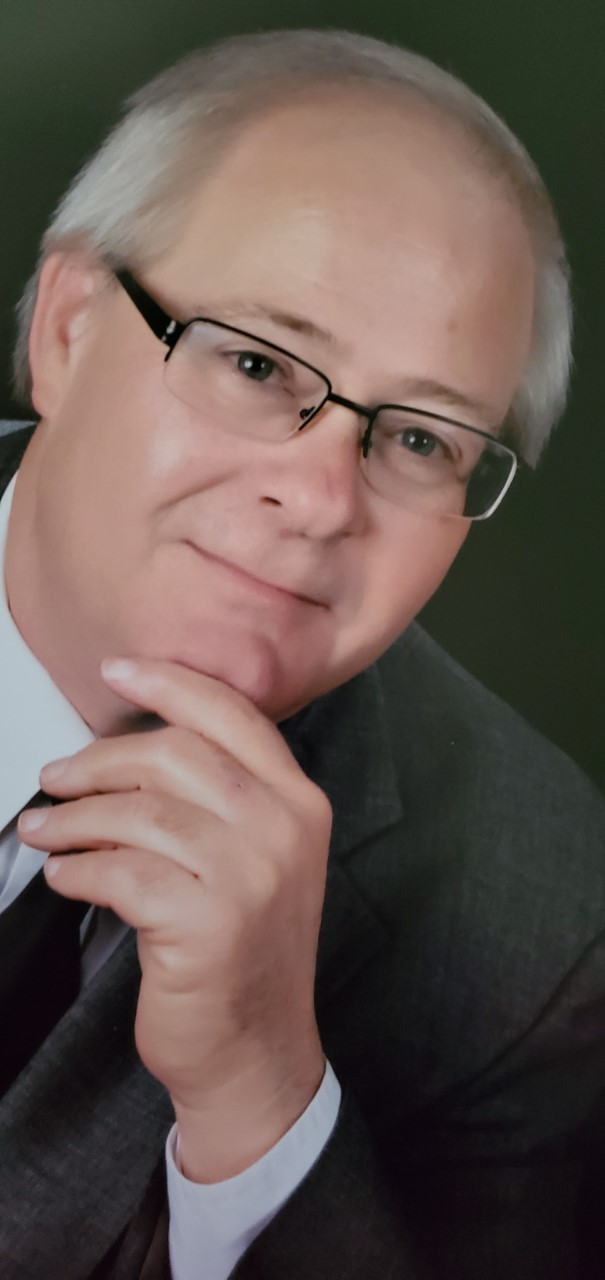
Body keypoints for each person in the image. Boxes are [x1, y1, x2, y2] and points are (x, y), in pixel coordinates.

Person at [0, 26, 603, 1280]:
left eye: (421, 441)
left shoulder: (543, 927)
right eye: (259, 362)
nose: (322, 496)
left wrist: (259, 1095)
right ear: (63, 332)